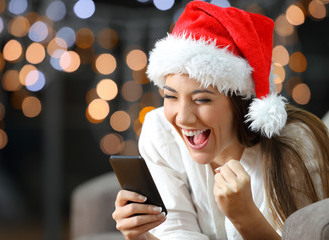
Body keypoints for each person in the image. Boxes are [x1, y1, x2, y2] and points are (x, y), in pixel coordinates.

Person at [112, 1, 329, 240]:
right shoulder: (159, 132)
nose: (183, 117)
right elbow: (177, 233)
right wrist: (142, 236)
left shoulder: (295, 146)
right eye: (171, 96)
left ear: (240, 103)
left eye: (202, 100)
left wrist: (245, 217)